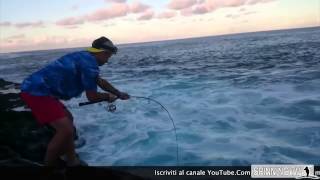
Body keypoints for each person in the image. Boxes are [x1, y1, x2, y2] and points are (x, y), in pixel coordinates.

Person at [20, 36, 130, 166]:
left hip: (42, 90)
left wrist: (118, 93)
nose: (107, 61)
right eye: (108, 57)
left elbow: (99, 81)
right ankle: (48, 170)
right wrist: (107, 97)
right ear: (102, 53)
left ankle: (71, 160)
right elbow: (92, 97)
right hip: (36, 92)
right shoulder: (89, 65)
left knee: (69, 119)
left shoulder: (84, 56)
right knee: (66, 130)